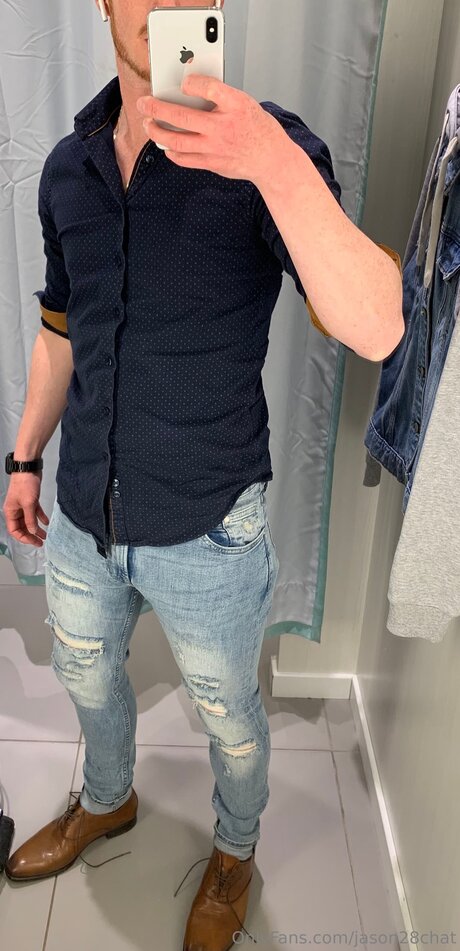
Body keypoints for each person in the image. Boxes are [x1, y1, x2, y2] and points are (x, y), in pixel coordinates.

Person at [2, 1, 404, 948]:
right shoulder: (67, 169)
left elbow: (378, 326)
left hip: (211, 523)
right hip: (82, 513)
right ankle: (108, 797)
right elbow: (61, 329)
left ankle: (235, 850)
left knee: (228, 716)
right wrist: (23, 457)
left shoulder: (270, 155)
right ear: (105, 2)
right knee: (86, 673)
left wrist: (271, 161)